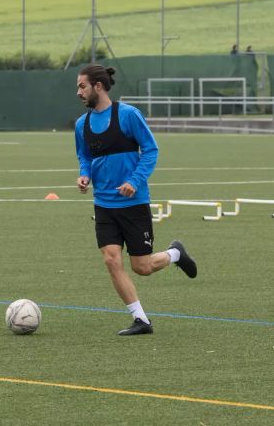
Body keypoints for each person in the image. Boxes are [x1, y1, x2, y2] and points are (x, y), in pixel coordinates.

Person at [74, 64, 197, 336]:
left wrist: (134, 181)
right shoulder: (81, 125)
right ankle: (141, 319)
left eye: (82, 86)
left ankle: (175, 253)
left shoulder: (128, 115)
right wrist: (84, 175)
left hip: (133, 204)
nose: (78, 92)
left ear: (98, 86)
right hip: (103, 205)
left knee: (142, 267)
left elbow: (151, 150)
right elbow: (84, 156)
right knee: (111, 259)